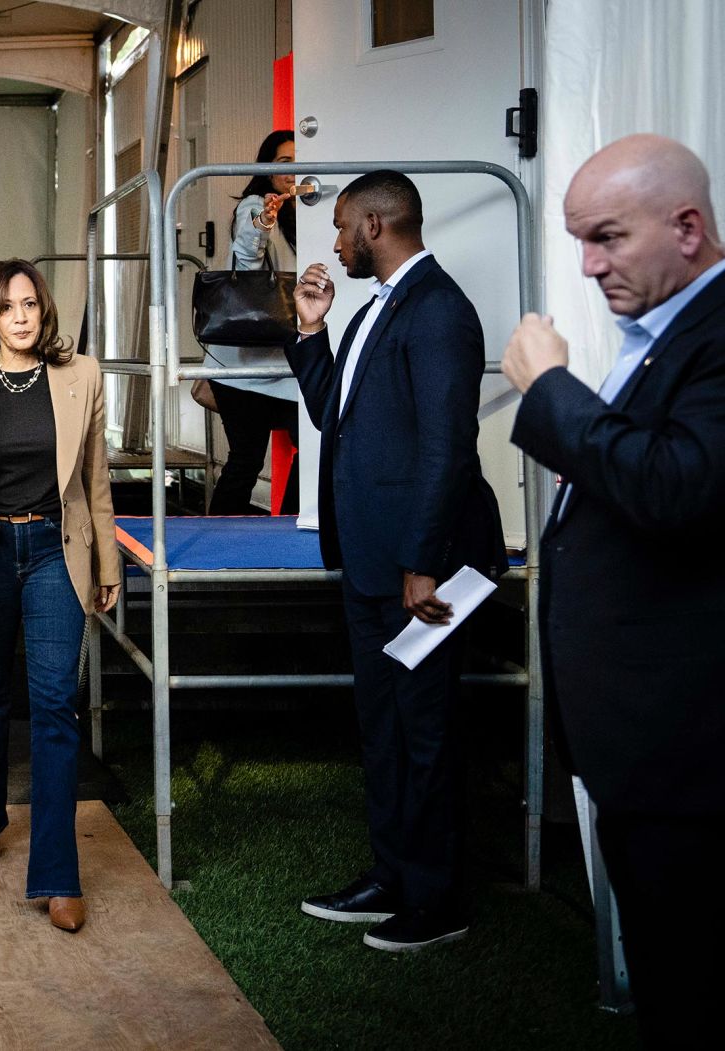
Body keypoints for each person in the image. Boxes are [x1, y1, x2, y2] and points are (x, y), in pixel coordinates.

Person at [502, 134, 725, 1046]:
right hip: (650, 739)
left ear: (687, 227)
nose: (589, 266)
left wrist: (551, 389)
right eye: (579, 242)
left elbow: (677, 486)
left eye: (607, 239)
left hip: (691, 748)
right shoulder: (666, 334)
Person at [288, 170, 505, 952]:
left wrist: (422, 564)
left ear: (375, 225)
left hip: (425, 571)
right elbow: (332, 416)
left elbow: (448, 449)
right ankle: (393, 876)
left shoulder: (439, 309)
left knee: (426, 731)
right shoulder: (374, 309)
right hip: (372, 562)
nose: (335, 241)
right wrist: (312, 330)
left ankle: (439, 899)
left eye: (342, 225)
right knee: (383, 727)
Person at [0, 259, 121, 933]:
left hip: (54, 553)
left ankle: (59, 874)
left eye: (31, 303)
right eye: (8, 305)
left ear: (44, 312)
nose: (20, 314)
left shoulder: (82, 375)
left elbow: (95, 477)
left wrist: (108, 557)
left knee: (53, 704)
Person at [193, 130, 301, 514]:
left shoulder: (306, 213)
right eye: (284, 163)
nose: (292, 171)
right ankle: (215, 543)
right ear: (267, 169)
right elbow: (247, 249)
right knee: (246, 460)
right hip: (241, 364)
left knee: (317, 441)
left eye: (299, 162)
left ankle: (289, 524)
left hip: (283, 362)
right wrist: (264, 221)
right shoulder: (257, 204)